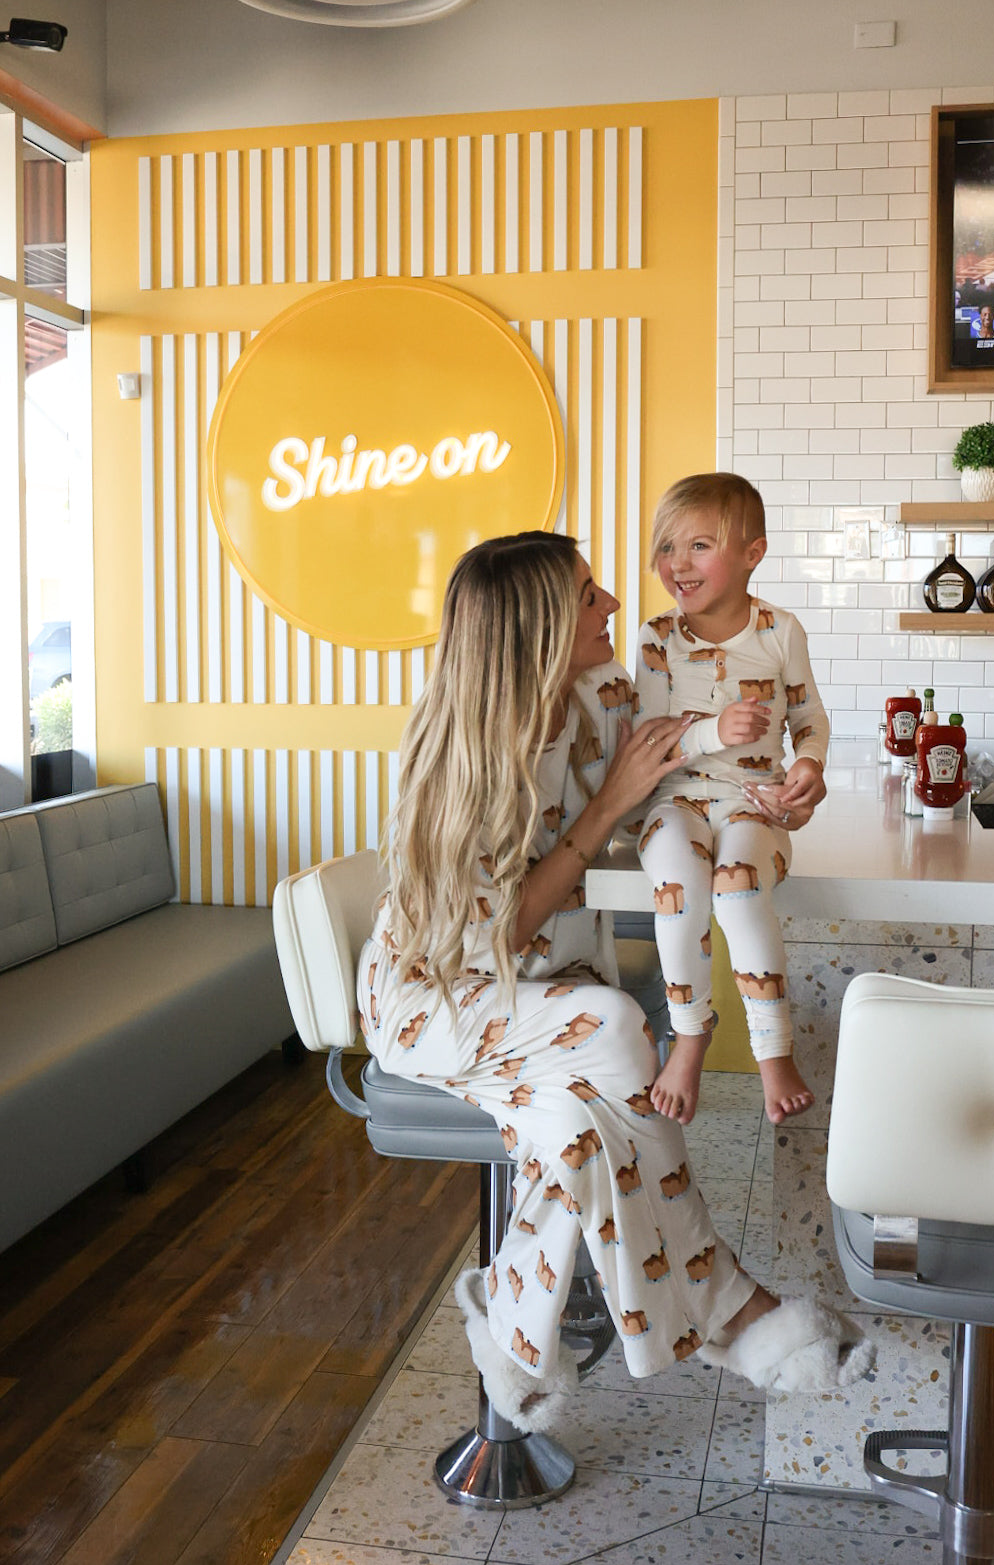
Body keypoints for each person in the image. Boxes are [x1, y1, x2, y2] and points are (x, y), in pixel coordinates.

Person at [356, 530, 872, 1430]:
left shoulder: (603, 695)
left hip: (541, 997)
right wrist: (604, 807)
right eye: (588, 595)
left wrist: (790, 785)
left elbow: (697, 762)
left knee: (579, 1134)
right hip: (438, 1002)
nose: (612, 606)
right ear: (540, 625)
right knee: (613, 1023)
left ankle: (512, 1328)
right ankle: (733, 1311)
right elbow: (497, 935)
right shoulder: (463, 762)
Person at [634, 474, 829, 1127]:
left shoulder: (779, 630)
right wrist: (712, 731)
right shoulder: (657, 636)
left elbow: (808, 716)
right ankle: (689, 1034)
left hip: (754, 800)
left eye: (698, 546)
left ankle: (773, 1051)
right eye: (667, 547)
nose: (677, 564)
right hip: (675, 799)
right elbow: (649, 739)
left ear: (752, 554)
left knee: (739, 888)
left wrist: (808, 763)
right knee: (679, 883)